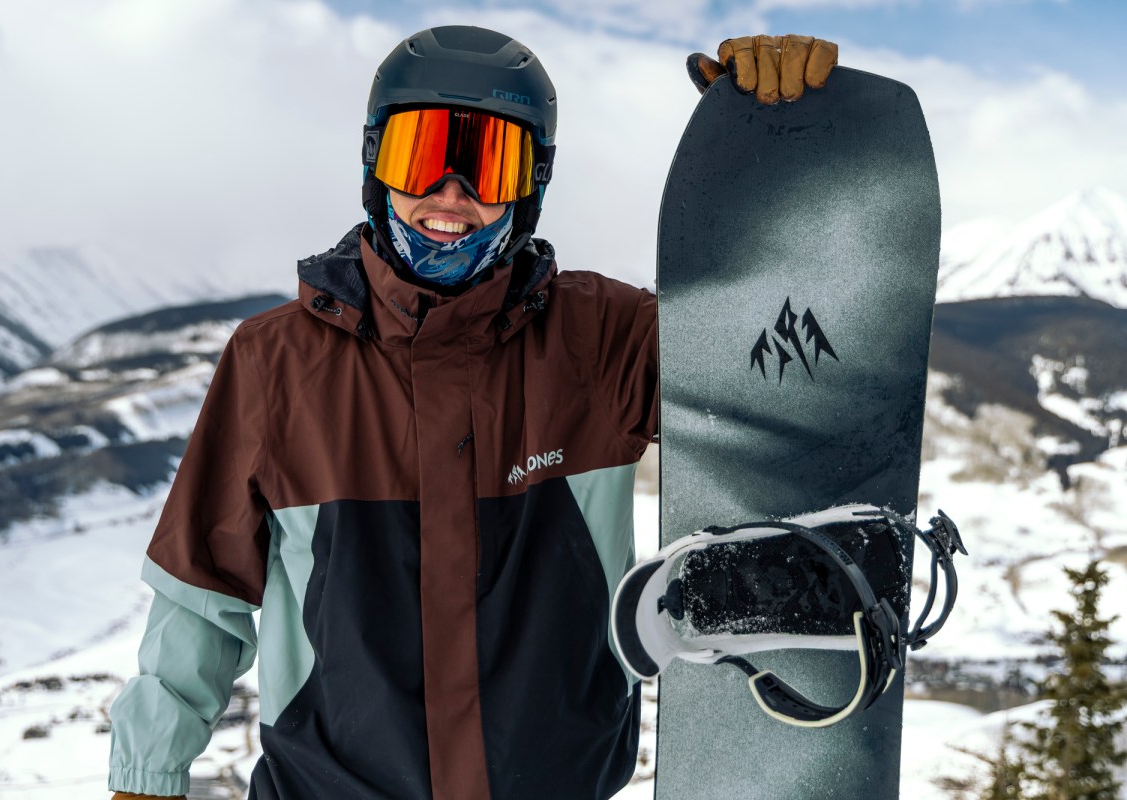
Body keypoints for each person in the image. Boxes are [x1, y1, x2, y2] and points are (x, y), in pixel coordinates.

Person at [107, 27, 836, 800]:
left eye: (488, 163)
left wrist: (781, 157)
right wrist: (146, 779)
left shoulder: (603, 340)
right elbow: (200, 597)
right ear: (373, 164)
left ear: (531, 185)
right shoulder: (276, 362)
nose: (450, 194)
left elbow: (782, 366)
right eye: (421, 155)